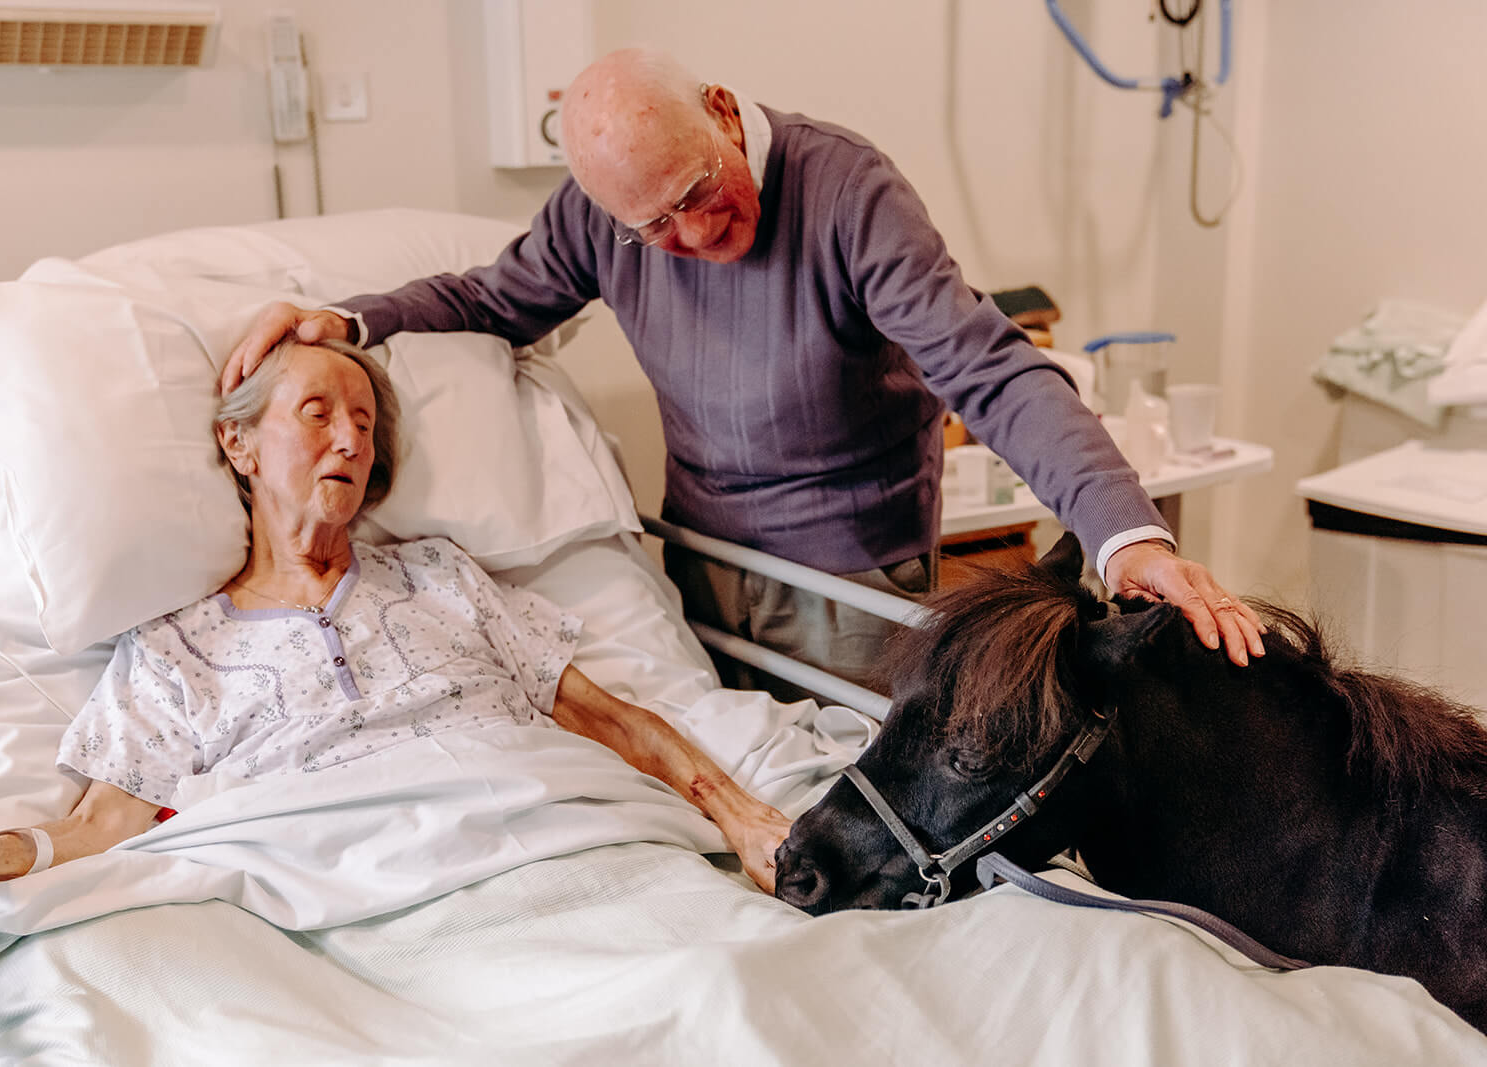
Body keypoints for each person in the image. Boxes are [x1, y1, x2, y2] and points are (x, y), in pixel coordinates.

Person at [221, 48, 1266, 689]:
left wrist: (1122, 536)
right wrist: (347, 320)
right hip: (698, 564)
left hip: (849, 575)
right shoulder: (605, 216)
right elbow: (498, 297)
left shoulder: (847, 193)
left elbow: (986, 369)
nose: (685, 237)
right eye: (650, 225)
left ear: (722, 111)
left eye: (696, 192)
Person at [0, 339, 791, 894]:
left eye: (363, 421)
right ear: (237, 443)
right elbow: (94, 834)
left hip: (561, 848)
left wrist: (745, 817)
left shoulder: (444, 576)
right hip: (356, 899)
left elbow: (609, 719)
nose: (351, 439)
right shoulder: (175, 649)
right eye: (315, 413)